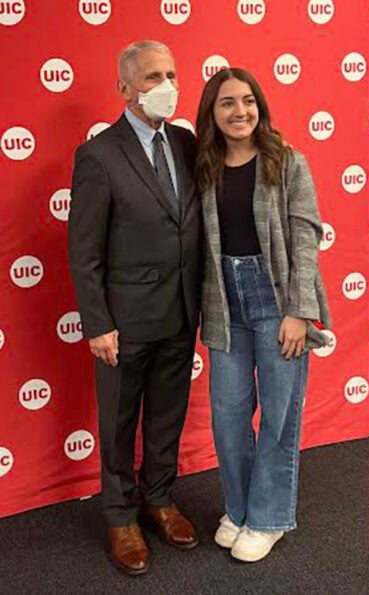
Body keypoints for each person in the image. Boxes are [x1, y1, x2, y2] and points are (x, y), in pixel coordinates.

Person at [68, 40, 202, 576]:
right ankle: (120, 514)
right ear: (124, 89)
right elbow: (84, 250)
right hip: (124, 322)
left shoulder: (189, 144)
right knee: (120, 421)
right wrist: (98, 322)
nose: (165, 84)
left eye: (171, 73)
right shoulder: (99, 155)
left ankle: (158, 497)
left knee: (169, 414)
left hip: (182, 310)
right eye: (151, 77)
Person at [194, 68, 332, 563]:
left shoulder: (287, 161)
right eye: (227, 103)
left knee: (278, 415)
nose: (240, 112)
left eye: (248, 101)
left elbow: (305, 236)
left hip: (276, 299)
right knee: (229, 416)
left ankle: (269, 517)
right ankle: (240, 507)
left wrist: (299, 311)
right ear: (212, 113)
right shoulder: (204, 165)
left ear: (260, 106)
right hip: (222, 298)